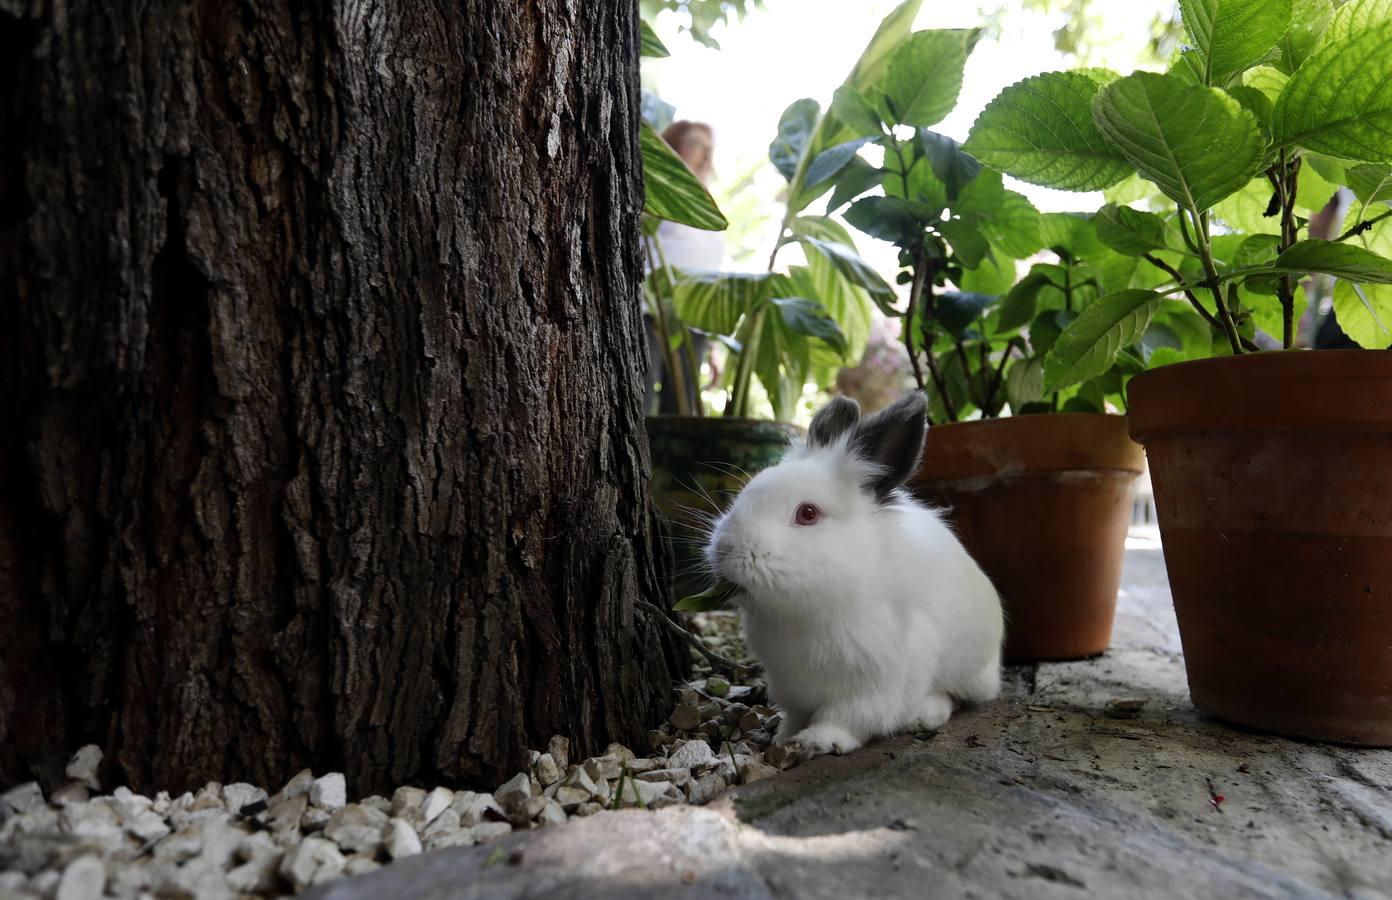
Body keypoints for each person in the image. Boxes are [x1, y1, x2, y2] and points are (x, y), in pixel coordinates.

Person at [645, 121, 725, 414]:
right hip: (650, 311)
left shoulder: (708, 208)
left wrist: (714, 346)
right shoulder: (654, 193)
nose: (706, 155)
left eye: (710, 148)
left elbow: (711, 269)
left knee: (681, 410)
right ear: (672, 147)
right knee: (639, 394)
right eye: (697, 144)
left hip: (693, 320)